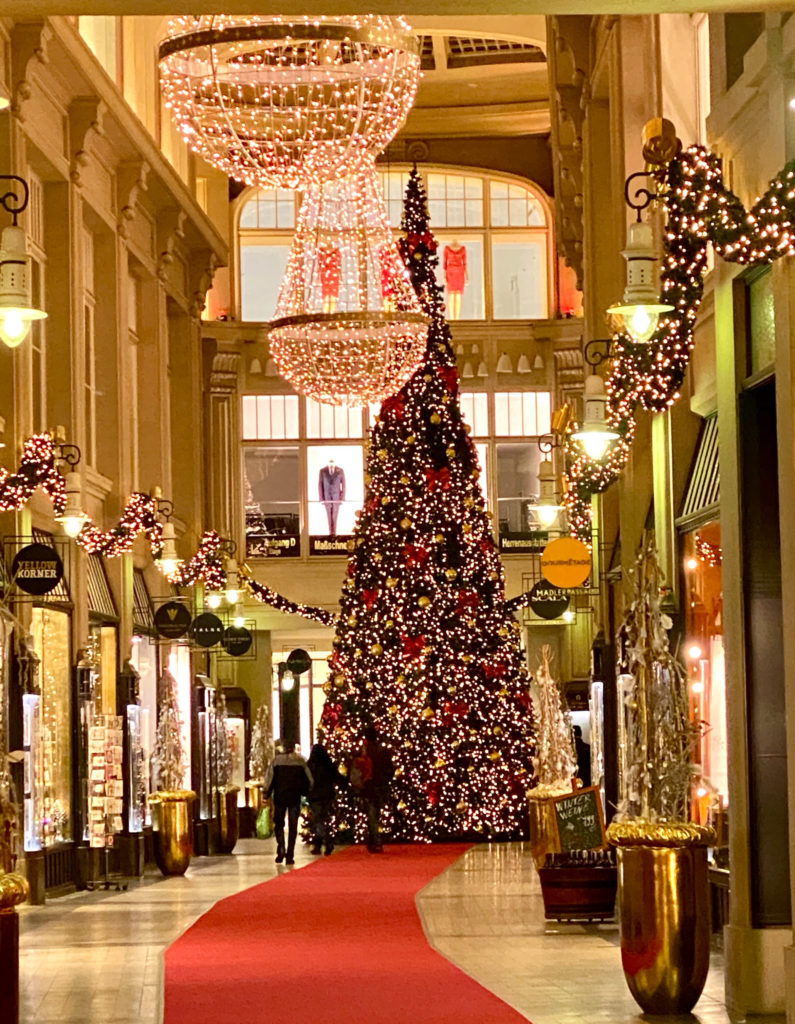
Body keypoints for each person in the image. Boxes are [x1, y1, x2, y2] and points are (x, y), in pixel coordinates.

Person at [264, 740, 312, 865]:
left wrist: (266, 792)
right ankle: (290, 854)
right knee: (293, 826)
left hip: (280, 797)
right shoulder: (300, 761)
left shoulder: (276, 761)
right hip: (295, 797)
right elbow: (310, 780)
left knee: (279, 824)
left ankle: (281, 848)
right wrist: (306, 791)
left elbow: (269, 778)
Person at [350, 725, 394, 853]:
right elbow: (390, 769)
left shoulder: (363, 752)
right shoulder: (383, 751)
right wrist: (385, 780)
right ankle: (375, 840)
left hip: (368, 786)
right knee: (375, 814)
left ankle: (375, 840)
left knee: (372, 814)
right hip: (381, 786)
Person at [307, 737, 343, 856]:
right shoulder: (328, 764)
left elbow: (305, 780)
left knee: (318, 819)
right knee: (324, 818)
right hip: (327, 795)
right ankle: (327, 841)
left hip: (315, 796)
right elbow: (337, 777)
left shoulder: (310, 765)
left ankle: (319, 843)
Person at [318, 459, 346, 536]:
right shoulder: (322, 471)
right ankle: (330, 532)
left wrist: (342, 497)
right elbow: (320, 484)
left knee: (335, 514)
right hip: (327, 496)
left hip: (336, 497)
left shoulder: (340, 470)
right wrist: (321, 498)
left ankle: (334, 532)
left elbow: (343, 484)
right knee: (328, 514)